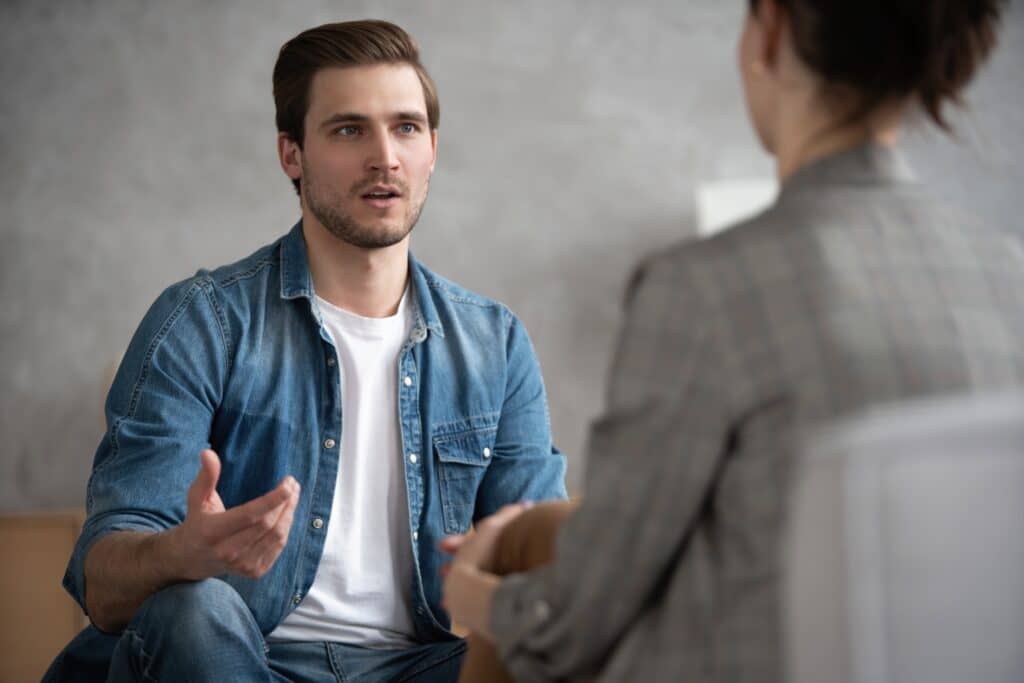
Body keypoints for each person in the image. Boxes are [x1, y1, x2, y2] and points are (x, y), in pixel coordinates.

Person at [441, 0, 1020, 680]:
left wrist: (473, 597)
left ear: (769, 32)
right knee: (538, 531)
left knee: (517, 563)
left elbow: (577, 618)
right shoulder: (1008, 271)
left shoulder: (702, 289)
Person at [45, 19, 566, 682]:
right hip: (242, 655)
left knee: (540, 651)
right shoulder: (204, 321)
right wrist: (181, 554)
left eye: (406, 127)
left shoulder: (495, 344)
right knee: (194, 608)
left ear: (432, 148)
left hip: (418, 666)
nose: (385, 157)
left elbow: (544, 559)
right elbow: (102, 583)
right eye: (349, 130)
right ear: (291, 155)